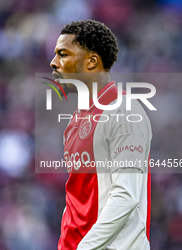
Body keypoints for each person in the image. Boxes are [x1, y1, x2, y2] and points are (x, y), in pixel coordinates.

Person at [50, 20, 152, 250]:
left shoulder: (124, 112)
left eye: (63, 54)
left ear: (92, 61)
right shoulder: (75, 122)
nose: (53, 63)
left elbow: (126, 196)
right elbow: (76, 199)